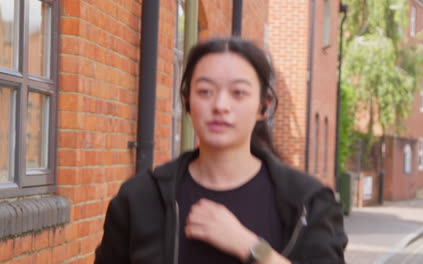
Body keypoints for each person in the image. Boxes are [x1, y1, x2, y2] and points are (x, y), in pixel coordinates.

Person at [95, 37, 348, 264]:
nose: (220, 105)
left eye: (238, 93)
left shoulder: (308, 203)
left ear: (264, 106)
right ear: (187, 100)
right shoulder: (140, 199)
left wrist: (250, 247)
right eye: (205, 91)